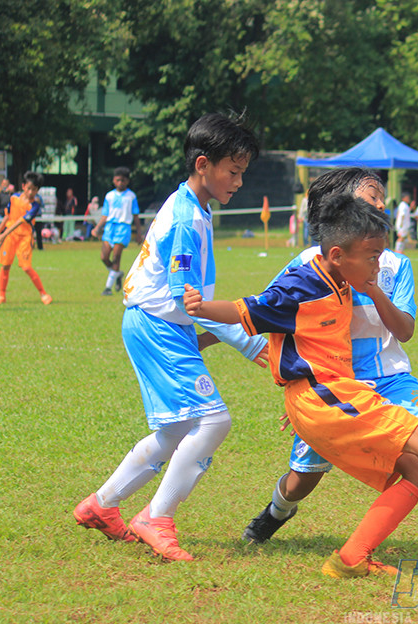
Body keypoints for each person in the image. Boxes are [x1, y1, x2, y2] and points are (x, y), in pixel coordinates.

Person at [185, 193, 418, 578]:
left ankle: (351, 558)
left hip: (332, 394)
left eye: (380, 253)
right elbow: (249, 309)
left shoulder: (341, 277)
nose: (380, 264)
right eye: (372, 256)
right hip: (322, 396)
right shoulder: (304, 283)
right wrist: (202, 309)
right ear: (338, 254)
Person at [242, 169, 418, 585]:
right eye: (373, 196)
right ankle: (276, 512)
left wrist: (375, 290)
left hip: (391, 379)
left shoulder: (395, 264)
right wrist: (297, 393)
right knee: (302, 482)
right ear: (344, 205)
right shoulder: (305, 265)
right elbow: (274, 317)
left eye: (383, 198)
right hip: (333, 387)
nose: (382, 204)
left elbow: (404, 330)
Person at [72, 113, 267, 562]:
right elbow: (193, 302)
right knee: (214, 422)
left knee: (177, 428)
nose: (238, 181)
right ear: (204, 164)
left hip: (156, 322)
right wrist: (251, 341)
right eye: (233, 171)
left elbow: (191, 303)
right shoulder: (186, 218)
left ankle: (101, 505)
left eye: (242, 172)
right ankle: (155, 517)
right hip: (157, 324)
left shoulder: (193, 206)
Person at [0, 172, 53, 306]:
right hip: (10, 236)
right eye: (28, 188)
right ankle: (2, 295)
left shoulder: (34, 206)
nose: (30, 192)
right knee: (5, 265)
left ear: (37, 190)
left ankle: (43, 293)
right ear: (23, 186)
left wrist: (3, 234)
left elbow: (20, 221)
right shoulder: (13, 198)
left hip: (24, 237)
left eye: (34, 190)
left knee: (26, 267)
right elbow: (8, 216)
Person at [92, 167, 140, 295]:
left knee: (116, 257)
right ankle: (117, 274)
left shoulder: (131, 196)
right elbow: (105, 215)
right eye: (118, 180)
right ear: (114, 180)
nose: (120, 183)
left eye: (123, 180)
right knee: (104, 257)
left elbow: (135, 215)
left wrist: (139, 234)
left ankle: (108, 288)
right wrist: (97, 228)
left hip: (123, 228)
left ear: (127, 181)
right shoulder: (109, 196)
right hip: (110, 228)